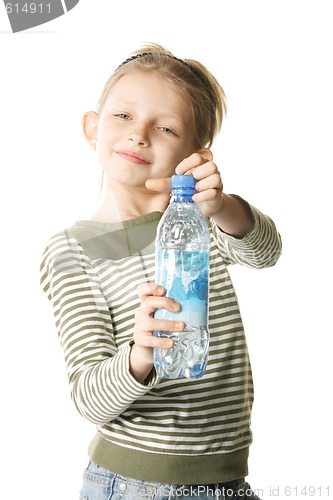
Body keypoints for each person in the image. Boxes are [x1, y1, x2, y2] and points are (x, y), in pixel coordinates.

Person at [40, 43, 282, 499]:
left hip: (226, 477)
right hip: (139, 483)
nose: (139, 135)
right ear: (93, 128)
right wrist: (140, 353)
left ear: (195, 155)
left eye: (166, 127)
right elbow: (89, 398)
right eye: (124, 117)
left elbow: (265, 252)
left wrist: (220, 205)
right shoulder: (72, 250)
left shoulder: (200, 225)